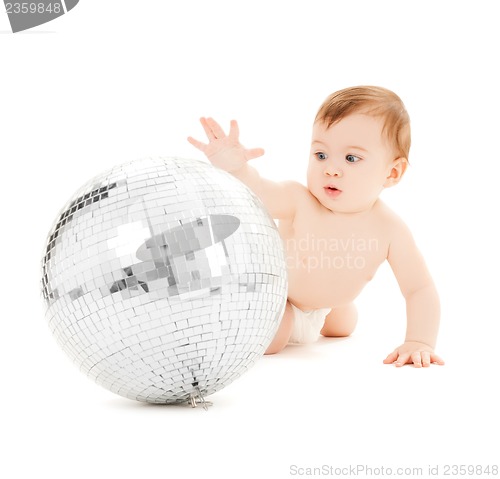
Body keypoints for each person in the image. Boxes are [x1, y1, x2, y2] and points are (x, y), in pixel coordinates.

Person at [188, 85, 444, 367]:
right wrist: (236, 168)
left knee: (343, 326)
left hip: (330, 307)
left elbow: (418, 288)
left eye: (351, 158)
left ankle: (331, 309)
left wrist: (419, 341)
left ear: (392, 172)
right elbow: (257, 192)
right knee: (273, 340)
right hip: (282, 300)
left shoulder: (390, 228)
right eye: (321, 155)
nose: (331, 169)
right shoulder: (298, 199)